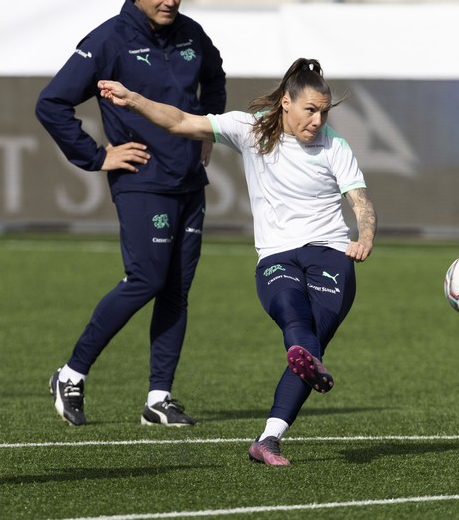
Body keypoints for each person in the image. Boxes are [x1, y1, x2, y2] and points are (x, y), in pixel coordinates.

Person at [97, 57, 377, 465]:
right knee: (293, 317)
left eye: (324, 111)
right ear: (286, 102)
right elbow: (179, 121)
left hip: (331, 253)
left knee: (309, 345)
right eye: (310, 110)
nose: (318, 120)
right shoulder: (250, 129)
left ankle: (268, 439)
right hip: (277, 254)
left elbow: (360, 200)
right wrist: (133, 99)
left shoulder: (335, 145)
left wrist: (364, 235)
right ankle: (295, 377)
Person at [35, 0, 226, 427]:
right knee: (146, 279)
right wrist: (98, 156)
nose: (170, 0)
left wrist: (209, 131)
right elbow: (52, 103)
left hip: (189, 182)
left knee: (177, 289)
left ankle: (159, 398)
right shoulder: (109, 40)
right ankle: (72, 373)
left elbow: (215, 78)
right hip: (142, 183)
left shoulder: (191, 34)